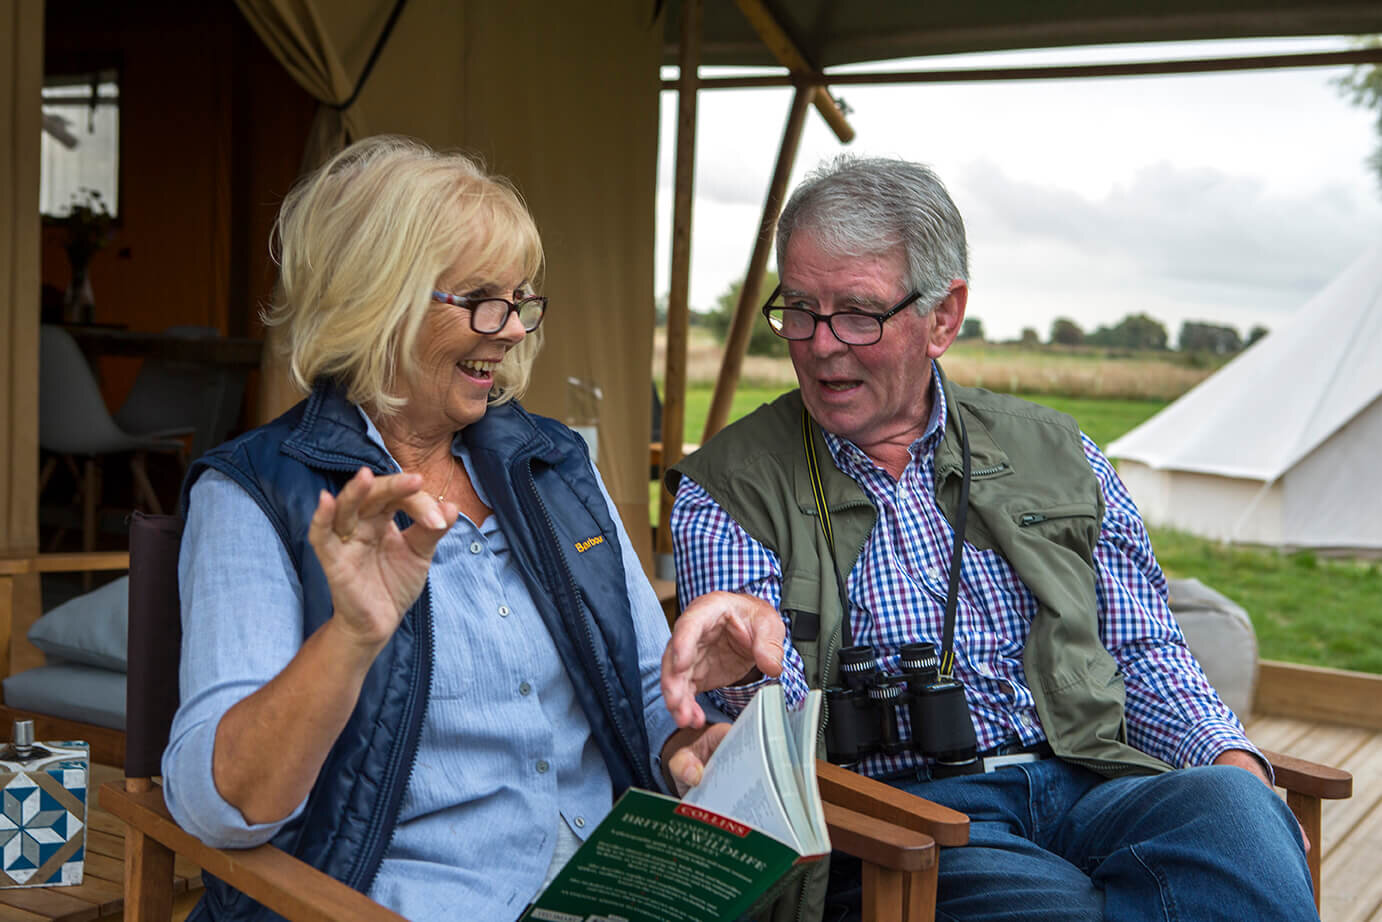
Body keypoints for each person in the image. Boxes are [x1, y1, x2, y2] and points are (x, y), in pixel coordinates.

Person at [660, 155, 1316, 922]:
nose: (821, 343)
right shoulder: (729, 485)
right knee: (1061, 909)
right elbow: (759, 735)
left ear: (943, 316)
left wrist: (1231, 764)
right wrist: (750, 667)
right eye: (800, 310)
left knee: (1238, 820)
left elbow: (1144, 651)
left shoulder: (1061, 453)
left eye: (859, 313)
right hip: (901, 823)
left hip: (1094, 782)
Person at [162, 135, 726, 921]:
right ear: (377, 296)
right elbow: (219, 806)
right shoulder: (256, 492)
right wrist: (350, 639)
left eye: (522, 301)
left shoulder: (552, 463)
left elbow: (642, 682)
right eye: (481, 300)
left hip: (615, 893)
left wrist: (691, 742)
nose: (513, 329)